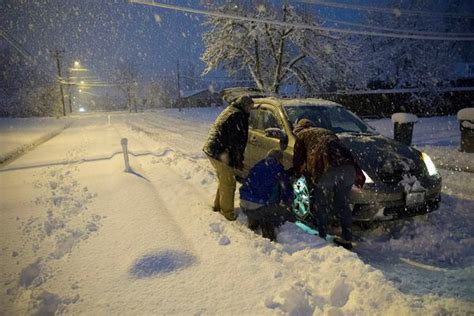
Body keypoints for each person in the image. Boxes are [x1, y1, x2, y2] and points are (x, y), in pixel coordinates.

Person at [292, 119, 365, 249]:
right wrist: (358, 174)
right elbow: (346, 153)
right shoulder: (328, 133)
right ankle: (347, 238)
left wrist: (299, 175)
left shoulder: (302, 135)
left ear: (299, 129)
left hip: (328, 168)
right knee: (342, 204)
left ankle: (322, 236)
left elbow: (298, 161)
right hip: (348, 169)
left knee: (322, 204)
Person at [203, 95, 255, 221]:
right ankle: (228, 213)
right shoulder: (237, 115)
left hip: (214, 149)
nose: (251, 110)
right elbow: (235, 142)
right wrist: (237, 160)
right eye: (250, 107)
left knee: (224, 179)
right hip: (219, 152)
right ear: (245, 105)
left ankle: (218, 206)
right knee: (229, 182)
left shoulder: (232, 110)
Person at [239, 149, 294, 241]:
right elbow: (287, 190)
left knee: (258, 197)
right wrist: (287, 205)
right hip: (260, 208)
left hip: (244, 204)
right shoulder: (278, 169)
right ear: (279, 159)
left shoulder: (259, 165)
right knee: (277, 212)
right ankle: (269, 237)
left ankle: (253, 223)